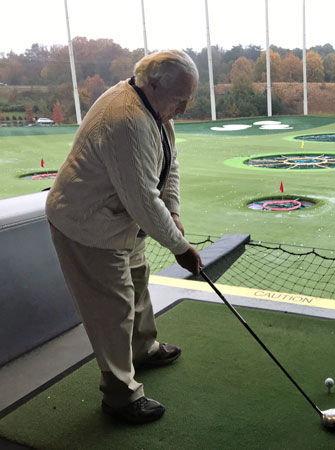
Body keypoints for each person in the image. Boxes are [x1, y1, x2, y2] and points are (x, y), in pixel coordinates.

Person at [45, 49, 203, 425]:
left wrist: (175, 211)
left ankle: (144, 349)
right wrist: (181, 249)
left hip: (119, 218)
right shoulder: (126, 120)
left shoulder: (155, 108)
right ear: (152, 84)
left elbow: (169, 163)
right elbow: (143, 200)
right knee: (112, 309)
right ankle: (120, 395)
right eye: (179, 100)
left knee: (137, 282)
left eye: (187, 100)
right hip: (88, 223)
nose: (182, 109)